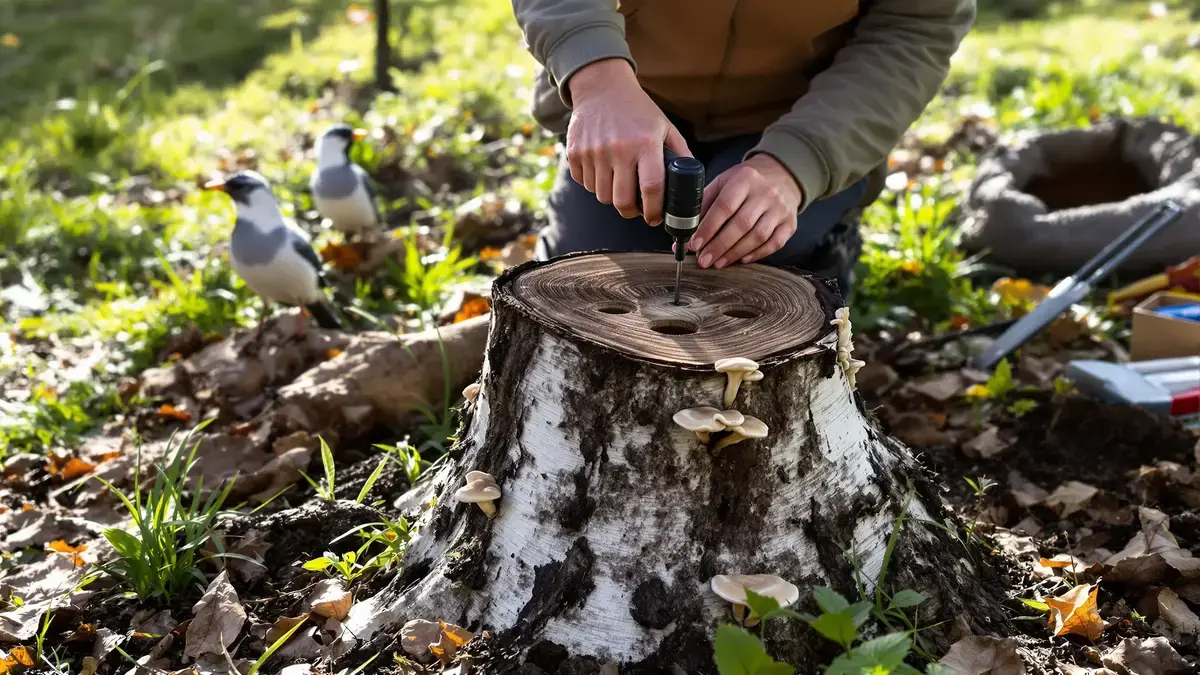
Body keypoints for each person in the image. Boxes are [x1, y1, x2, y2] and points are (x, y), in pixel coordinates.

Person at [510, 0, 975, 296]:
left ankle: (824, 242)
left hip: (801, 115)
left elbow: (915, 27)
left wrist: (796, 166)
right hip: (629, 98)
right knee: (585, 285)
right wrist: (598, 78)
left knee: (759, 269)